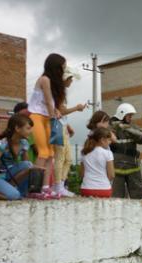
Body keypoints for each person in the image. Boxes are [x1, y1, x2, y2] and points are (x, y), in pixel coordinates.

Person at [27, 53, 66, 199]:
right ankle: (34, 189)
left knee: (51, 154)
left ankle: (45, 187)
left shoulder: (51, 81)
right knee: (43, 152)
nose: (63, 69)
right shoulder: (44, 79)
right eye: (62, 67)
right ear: (55, 66)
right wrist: (54, 116)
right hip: (37, 117)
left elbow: (52, 105)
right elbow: (49, 102)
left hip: (47, 118)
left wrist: (55, 112)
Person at [53, 66, 86, 197]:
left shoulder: (61, 92)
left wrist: (67, 125)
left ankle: (60, 185)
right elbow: (61, 111)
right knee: (61, 157)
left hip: (62, 126)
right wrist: (76, 108)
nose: (71, 81)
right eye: (70, 78)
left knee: (68, 159)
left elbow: (60, 113)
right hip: (58, 127)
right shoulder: (59, 92)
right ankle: (57, 185)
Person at [110, 103, 142, 199]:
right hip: (118, 165)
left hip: (132, 164)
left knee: (138, 194)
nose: (131, 118)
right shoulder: (112, 128)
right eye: (129, 115)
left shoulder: (132, 127)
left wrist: (130, 131)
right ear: (121, 114)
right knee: (117, 195)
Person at [80, 128, 115, 198]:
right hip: (104, 189)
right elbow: (111, 175)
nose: (110, 142)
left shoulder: (84, 153)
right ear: (102, 140)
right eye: (109, 140)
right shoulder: (108, 153)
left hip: (86, 189)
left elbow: (82, 174)